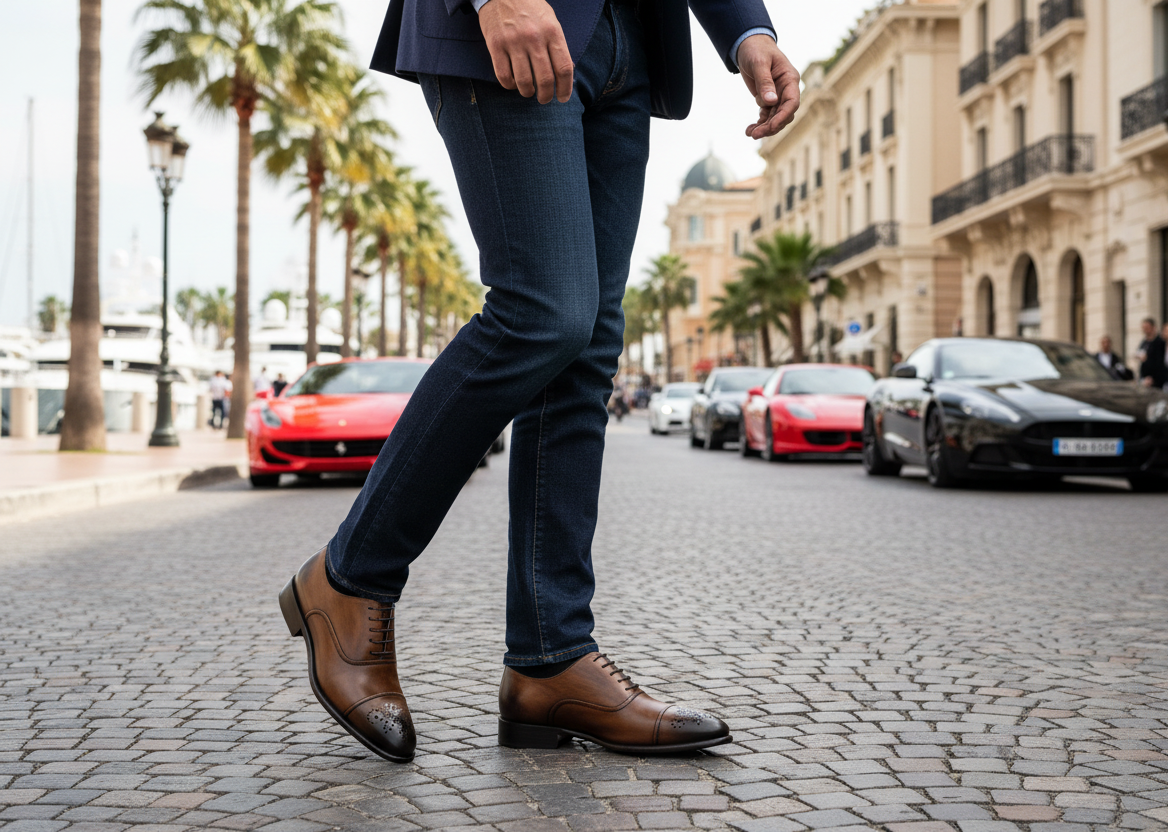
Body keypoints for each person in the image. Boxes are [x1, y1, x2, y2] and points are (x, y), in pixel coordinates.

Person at [277, 0, 799, 764]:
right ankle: (349, 579)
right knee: (543, 313)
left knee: (586, 348)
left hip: (630, 43)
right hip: (519, 18)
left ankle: (549, 660)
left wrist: (746, 28)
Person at [1137, 317, 1168, 389]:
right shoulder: (1144, 342)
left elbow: (1159, 361)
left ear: (1153, 327)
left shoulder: (1159, 342)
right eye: (1144, 328)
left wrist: (1153, 378)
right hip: (1145, 378)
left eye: (1147, 328)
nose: (1145, 330)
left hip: (1156, 379)